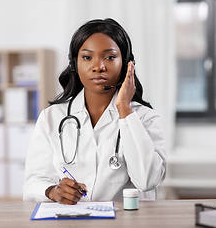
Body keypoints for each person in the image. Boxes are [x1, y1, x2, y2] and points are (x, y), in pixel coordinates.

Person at [23, 18, 167, 204]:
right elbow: (32, 182)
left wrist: (124, 109)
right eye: (87, 57)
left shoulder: (145, 118)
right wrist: (53, 191)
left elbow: (147, 181)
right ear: (74, 64)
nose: (98, 66)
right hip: (72, 222)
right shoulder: (51, 118)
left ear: (127, 64)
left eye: (109, 57)